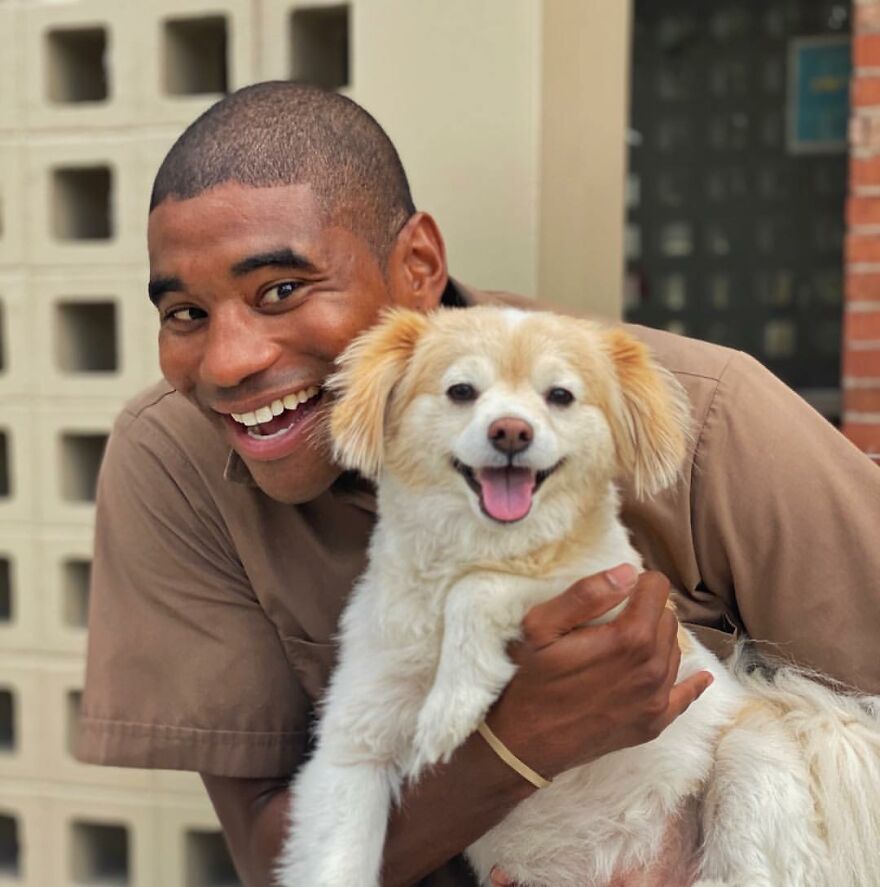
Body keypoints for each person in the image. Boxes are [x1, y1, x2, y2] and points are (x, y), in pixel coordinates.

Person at [76, 81, 880, 887]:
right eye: (184, 312)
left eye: (282, 290)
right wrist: (514, 745)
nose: (228, 361)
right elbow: (267, 852)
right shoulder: (171, 459)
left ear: (418, 265)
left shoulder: (703, 412)